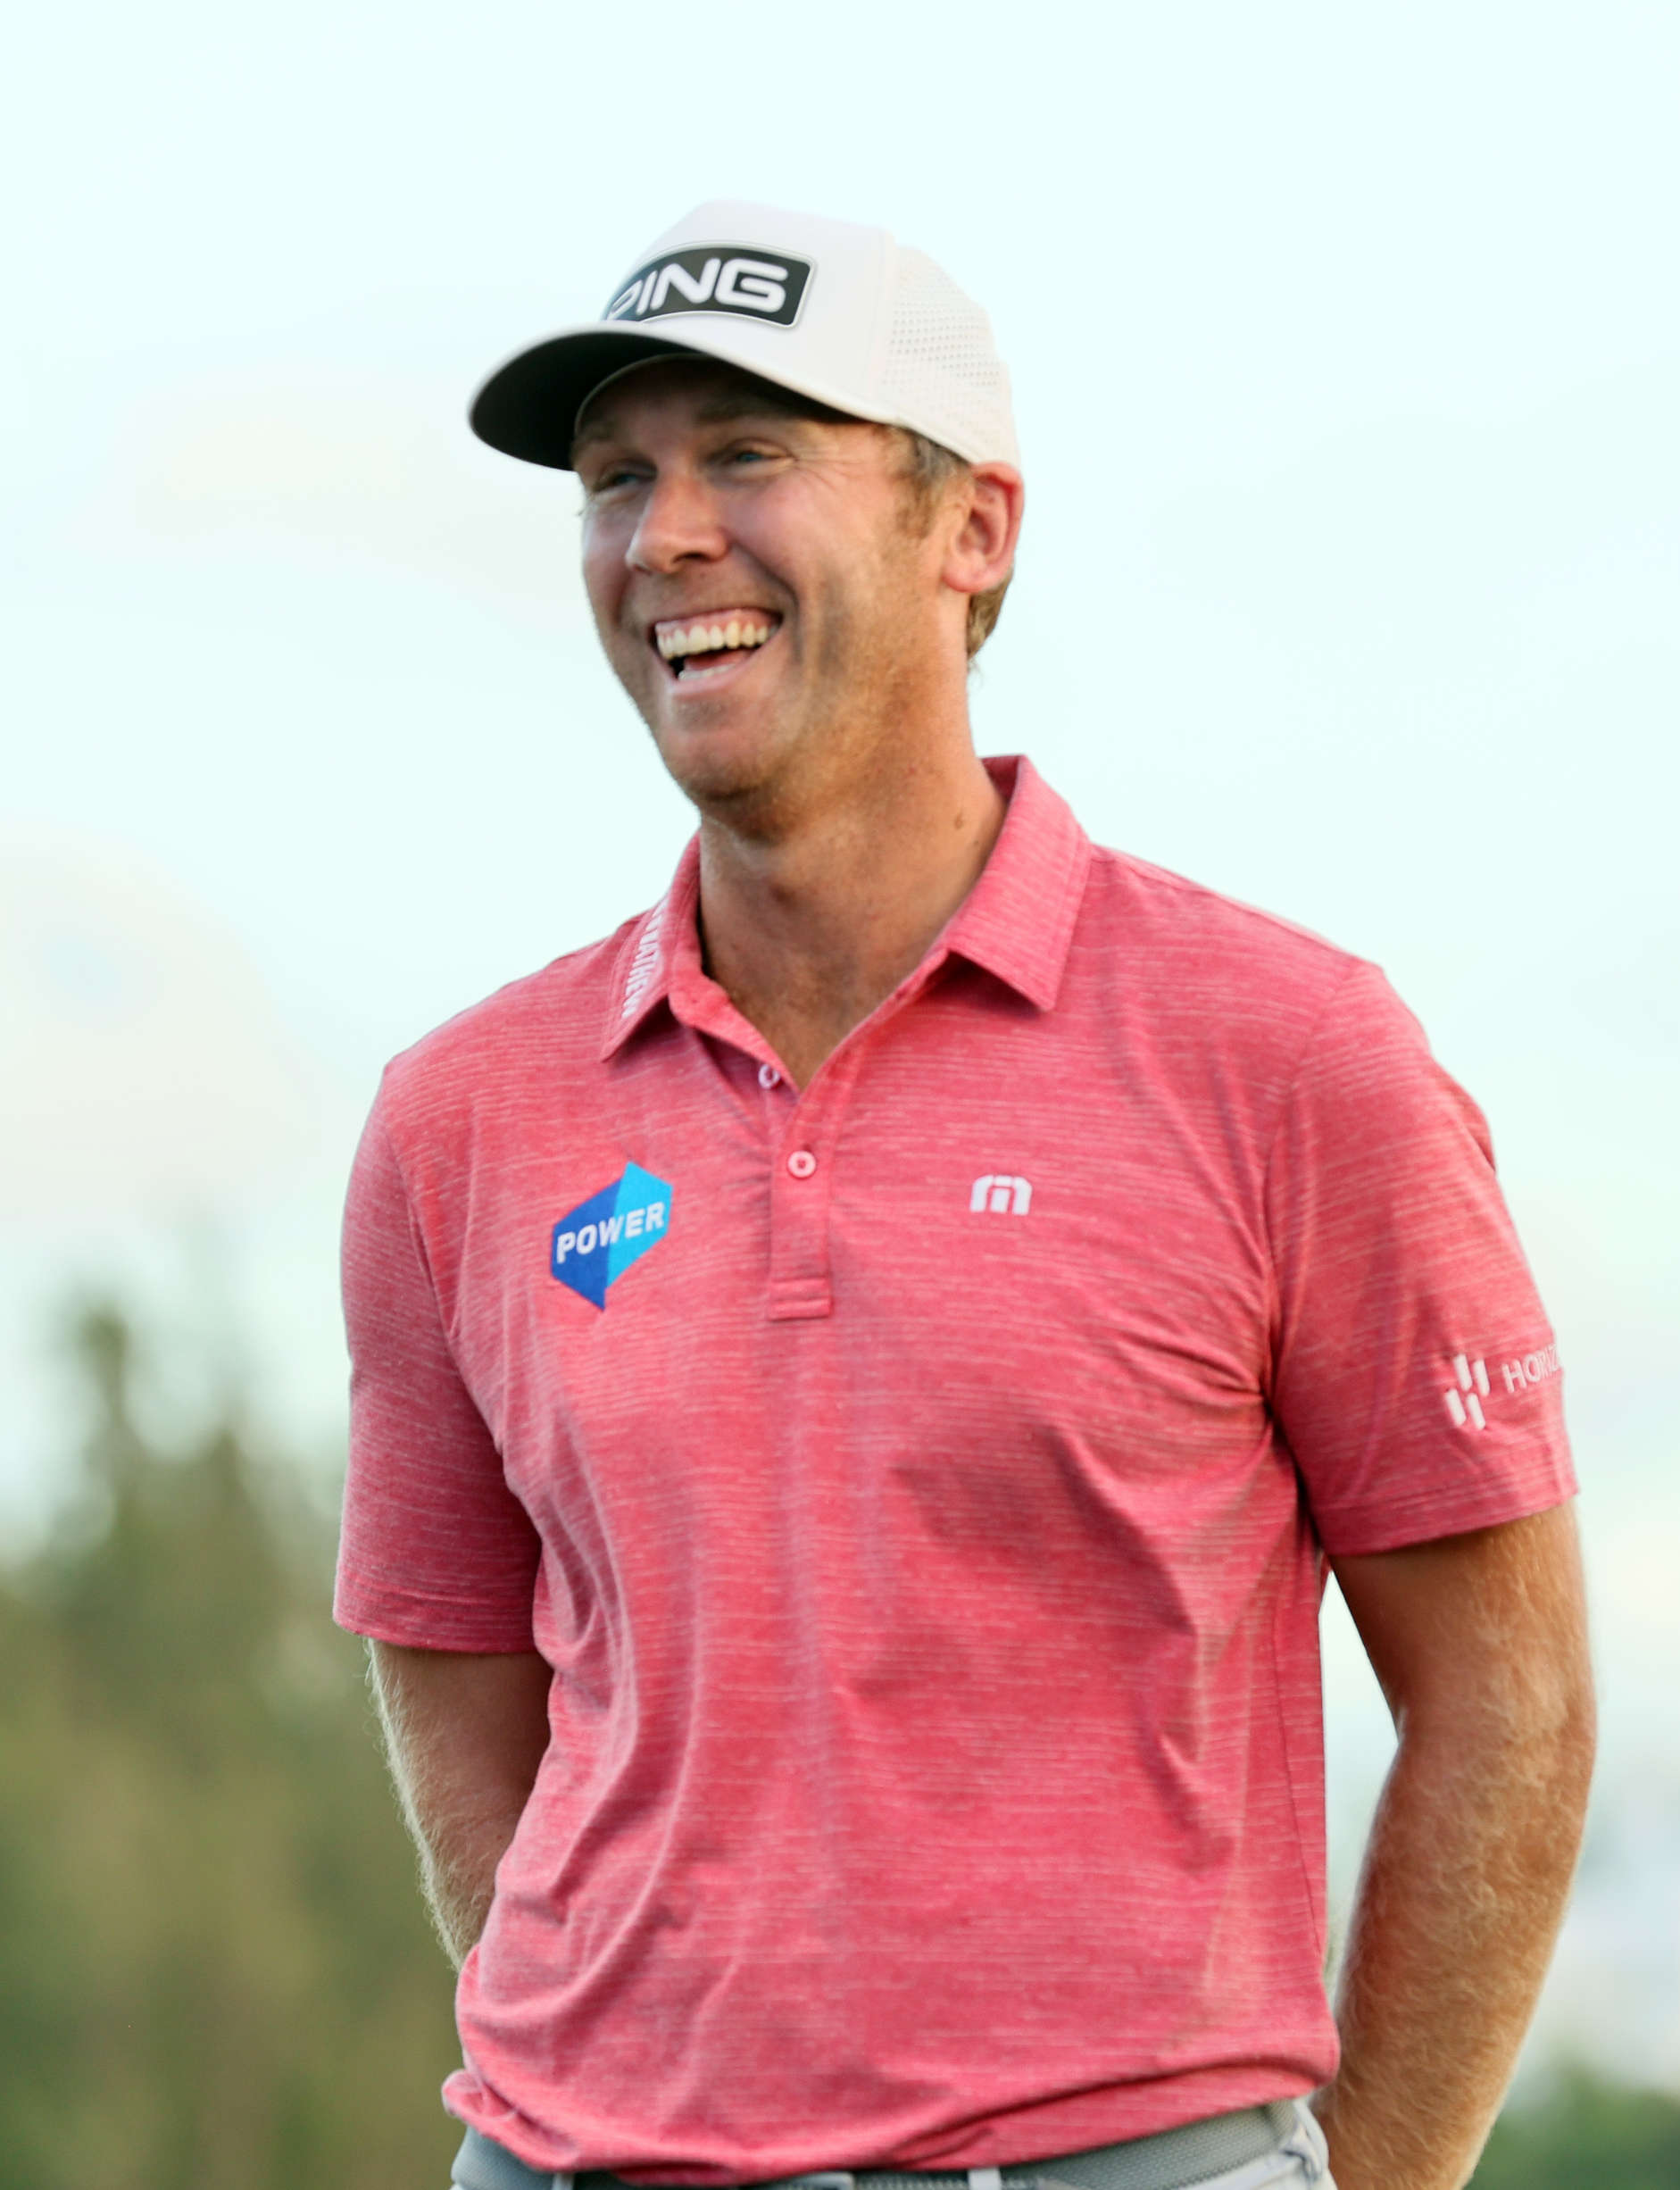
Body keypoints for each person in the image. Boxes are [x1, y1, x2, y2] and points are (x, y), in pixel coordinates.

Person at [334, 202, 1595, 2190]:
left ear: (975, 527)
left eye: (747, 453)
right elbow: (449, 1653)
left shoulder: (1293, 1056)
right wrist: (610, 2088)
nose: (663, 536)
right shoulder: (461, 1119)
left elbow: (1510, 1703)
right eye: (614, 478)